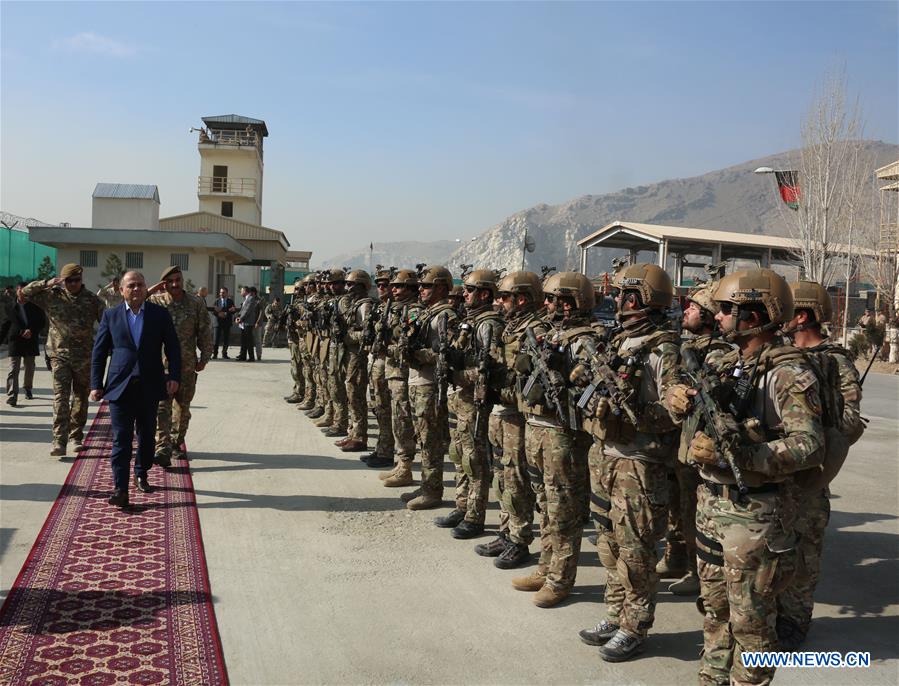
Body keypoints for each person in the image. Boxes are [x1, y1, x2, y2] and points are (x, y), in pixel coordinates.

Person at [667, 268, 825, 685]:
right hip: (712, 504)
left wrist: (744, 453)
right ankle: (712, 675)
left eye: (724, 310)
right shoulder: (725, 361)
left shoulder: (789, 373)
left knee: (752, 626)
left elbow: (809, 446)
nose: (716, 317)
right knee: (714, 607)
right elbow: (683, 396)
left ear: (753, 317)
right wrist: (677, 400)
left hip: (756, 514)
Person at [777, 280, 864, 649]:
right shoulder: (779, 356)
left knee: (804, 553)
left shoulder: (836, 362)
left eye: (785, 313)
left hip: (810, 475)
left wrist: (810, 425)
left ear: (801, 315)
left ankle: (795, 621)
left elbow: (850, 423)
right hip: (777, 469)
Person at [510, 272, 594, 609]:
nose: (547, 305)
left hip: (562, 432)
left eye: (555, 299)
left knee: (563, 509)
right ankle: (545, 567)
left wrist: (567, 376)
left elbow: (588, 393)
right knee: (544, 503)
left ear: (571, 302)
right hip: (537, 426)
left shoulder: (587, 339)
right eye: (547, 299)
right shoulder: (550, 333)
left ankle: (561, 578)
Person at [656, 281, 733, 597]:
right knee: (677, 507)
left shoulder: (717, 354)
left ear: (707, 316)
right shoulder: (689, 346)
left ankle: (697, 572)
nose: (685, 311)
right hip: (680, 444)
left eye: (693, 308)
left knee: (694, 514)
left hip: (701, 448)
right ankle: (678, 558)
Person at [89, 271, 181, 509]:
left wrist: (174, 376)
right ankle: (120, 489)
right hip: (120, 386)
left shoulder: (159, 315)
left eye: (140, 285)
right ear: (121, 290)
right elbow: (99, 352)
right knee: (121, 439)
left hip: (150, 384)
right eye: (131, 285)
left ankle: (141, 472)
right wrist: (96, 384)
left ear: (146, 287)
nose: (137, 289)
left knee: (147, 436)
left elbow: (173, 347)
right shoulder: (111, 316)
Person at [477, 270, 544, 568]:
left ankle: (519, 539)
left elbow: (529, 377)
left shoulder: (536, 329)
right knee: (502, 475)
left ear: (522, 298)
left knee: (516, 478)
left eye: (505, 297)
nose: (500, 302)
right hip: (500, 411)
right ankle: (506, 532)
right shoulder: (510, 327)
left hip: (518, 414)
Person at [435, 269, 504, 538]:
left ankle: (475, 515)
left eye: (470, 290)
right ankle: (462, 505)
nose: (464, 294)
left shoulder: (489, 325)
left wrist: (459, 375)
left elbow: (493, 369)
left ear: (484, 293)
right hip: (460, 400)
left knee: (475, 461)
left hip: (475, 401)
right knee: (458, 455)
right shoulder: (471, 321)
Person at [393, 265, 459, 509]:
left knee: (431, 441)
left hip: (431, 384)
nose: (420, 290)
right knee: (421, 437)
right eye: (420, 286)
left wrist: (419, 354)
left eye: (427, 286)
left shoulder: (446, 316)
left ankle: (432, 491)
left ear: (441, 287)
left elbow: (448, 353)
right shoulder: (426, 313)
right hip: (417, 381)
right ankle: (425, 484)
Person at [23, 263, 104, 457]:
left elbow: (107, 324)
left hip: (84, 357)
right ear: (62, 280)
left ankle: (76, 435)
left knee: (80, 397)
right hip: (59, 355)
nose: (73, 284)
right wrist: (46, 283)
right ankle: (59, 439)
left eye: (76, 280)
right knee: (61, 397)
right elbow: (25, 293)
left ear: (81, 279)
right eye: (69, 281)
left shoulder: (92, 300)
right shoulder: (52, 296)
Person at [148, 265, 213, 465]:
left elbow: (204, 330)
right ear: (164, 283)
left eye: (178, 279)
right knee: (161, 408)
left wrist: (205, 357)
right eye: (170, 281)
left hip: (186, 364)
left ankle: (176, 444)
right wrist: (152, 289)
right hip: (160, 365)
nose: (175, 284)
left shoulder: (195, 303)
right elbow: (131, 302)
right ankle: (163, 447)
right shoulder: (155, 301)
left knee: (182, 408)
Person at [380, 269, 424, 484]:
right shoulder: (395, 308)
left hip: (403, 371)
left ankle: (406, 466)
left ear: (410, 288)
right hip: (394, 371)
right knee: (397, 417)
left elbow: (409, 342)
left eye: (398, 286)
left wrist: (388, 349)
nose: (393, 289)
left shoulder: (414, 311)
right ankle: (401, 463)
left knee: (404, 419)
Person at [334, 270, 375, 452]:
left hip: (358, 355)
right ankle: (352, 433)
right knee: (351, 394)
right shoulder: (354, 304)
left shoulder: (365, 306)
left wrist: (347, 336)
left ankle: (359, 437)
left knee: (356, 396)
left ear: (362, 286)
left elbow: (368, 335)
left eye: (351, 284)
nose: (348, 288)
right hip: (349, 354)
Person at [1, 282, 47, 406]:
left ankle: (27, 388)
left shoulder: (35, 306)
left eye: (25, 290)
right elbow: (5, 325)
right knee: (13, 369)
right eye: (21, 290)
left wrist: (32, 330)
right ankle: (12, 394)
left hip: (30, 341)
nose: (22, 292)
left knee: (29, 367)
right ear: (17, 290)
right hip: (15, 341)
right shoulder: (10, 306)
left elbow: (42, 322)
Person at [235, 286, 259, 361]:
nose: (241, 293)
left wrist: (241, 319)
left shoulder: (251, 299)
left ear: (245, 291)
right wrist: (237, 317)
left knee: (249, 341)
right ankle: (243, 356)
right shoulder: (246, 299)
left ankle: (251, 357)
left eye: (241, 291)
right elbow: (242, 310)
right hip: (243, 323)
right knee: (243, 340)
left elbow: (247, 311)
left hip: (248, 322)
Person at [212, 287, 236, 359]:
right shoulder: (216, 301)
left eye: (223, 292)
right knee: (216, 340)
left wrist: (228, 312)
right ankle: (215, 354)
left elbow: (233, 311)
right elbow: (213, 311)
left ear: (227, 293)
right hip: (218, 323)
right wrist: (218, 314)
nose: (221, 294)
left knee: (226, 339)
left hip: (227, 323)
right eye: (220, 292)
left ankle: (224, 353)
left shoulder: (230, 301)